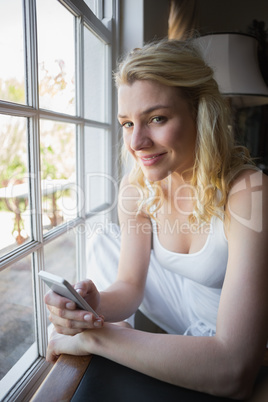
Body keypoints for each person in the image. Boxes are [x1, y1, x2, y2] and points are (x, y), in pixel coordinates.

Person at [44, 39, 268, 399]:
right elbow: (131, 287)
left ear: (201, 112)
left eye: (157, 119)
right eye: (127, 123)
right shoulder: (137, 191)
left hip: (243, 337)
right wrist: (94, 305)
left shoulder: (249, 192)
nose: (137, 141)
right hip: (187, 317)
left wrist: (95, 337)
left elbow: (235, 371)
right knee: (104, 238)